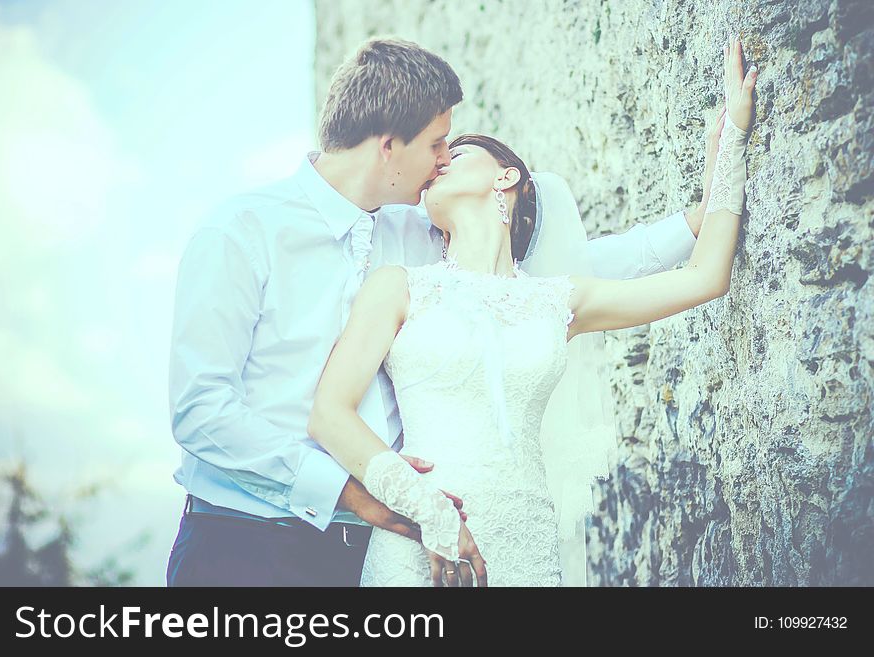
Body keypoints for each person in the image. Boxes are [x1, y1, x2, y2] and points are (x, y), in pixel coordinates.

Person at [165, 37, 718, 587]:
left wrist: (698, 220)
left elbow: (551, 282)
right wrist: (352, 493)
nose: (442, 160)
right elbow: (201, 411)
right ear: (388, 147)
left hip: (378, 553)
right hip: (245, 544)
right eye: (436, 143)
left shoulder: (420, 235)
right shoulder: (241, 231)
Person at [306, 36, 758, 586]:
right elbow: (329, 412)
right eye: (437, 152)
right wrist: (425, 508)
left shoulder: (557, 299)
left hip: (527, 544)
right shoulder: (398, 286)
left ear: (506, 176)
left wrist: (733, 137)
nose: (441, 159)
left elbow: (705, 277)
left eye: (460, 150)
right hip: (422, 540)